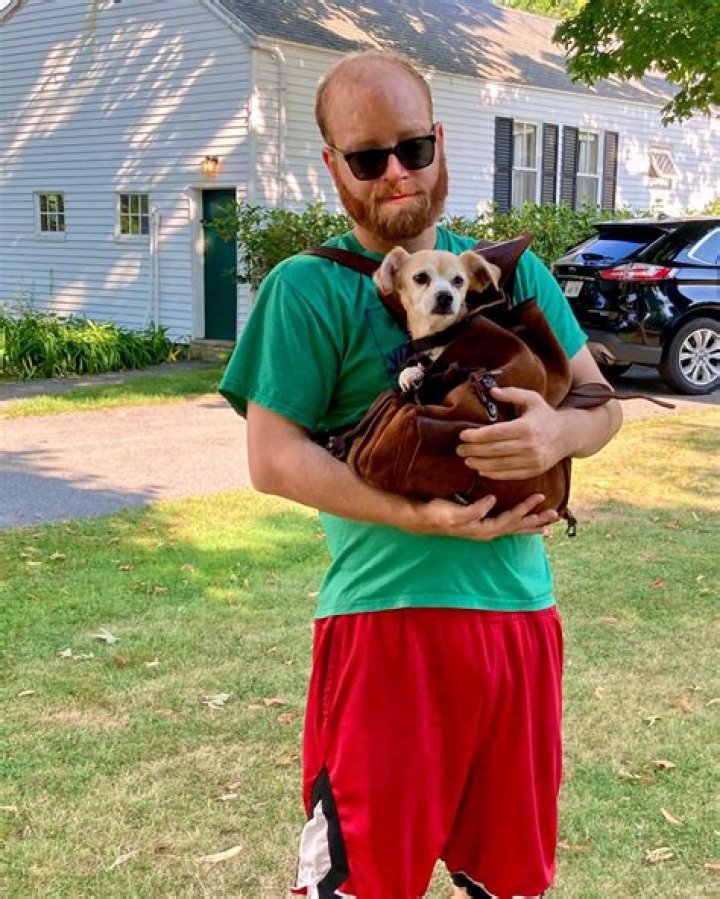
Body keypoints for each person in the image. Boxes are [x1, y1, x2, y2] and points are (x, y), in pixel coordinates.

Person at [219, 49, 622, 899]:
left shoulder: (512, 273)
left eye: (412, 148)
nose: (397, 174)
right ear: (333, 165)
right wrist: (415, 514)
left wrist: (555, 433)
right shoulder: (306, 289)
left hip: (519, 620)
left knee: (510, 881)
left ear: (439, 140)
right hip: (385, 628)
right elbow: (273, 457)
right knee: (364, 883)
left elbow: (601, 404)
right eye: (369, 159)